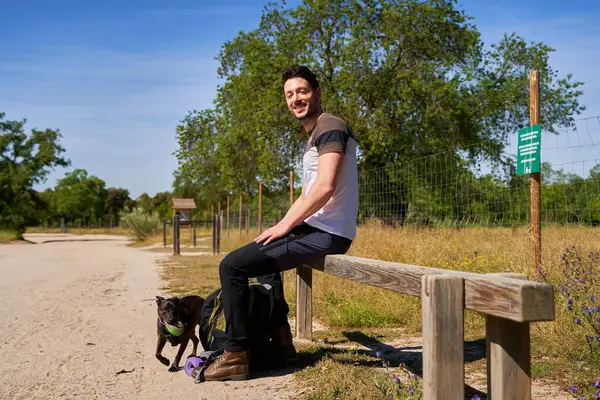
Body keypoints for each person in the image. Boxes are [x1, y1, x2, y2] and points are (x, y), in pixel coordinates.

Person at [204, 65, 359, 381]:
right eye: (290, 94)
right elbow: (310, 192)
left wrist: (286, 224)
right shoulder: (317, 132)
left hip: (327, 233)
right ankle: (283, 341)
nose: (296, 99)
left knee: (231, 266)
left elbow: (325, 185)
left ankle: (235, 354)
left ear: (317, 93)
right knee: (264, 255)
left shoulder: (330, 125)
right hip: (319, 227)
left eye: (302, 91)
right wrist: (282, 224)